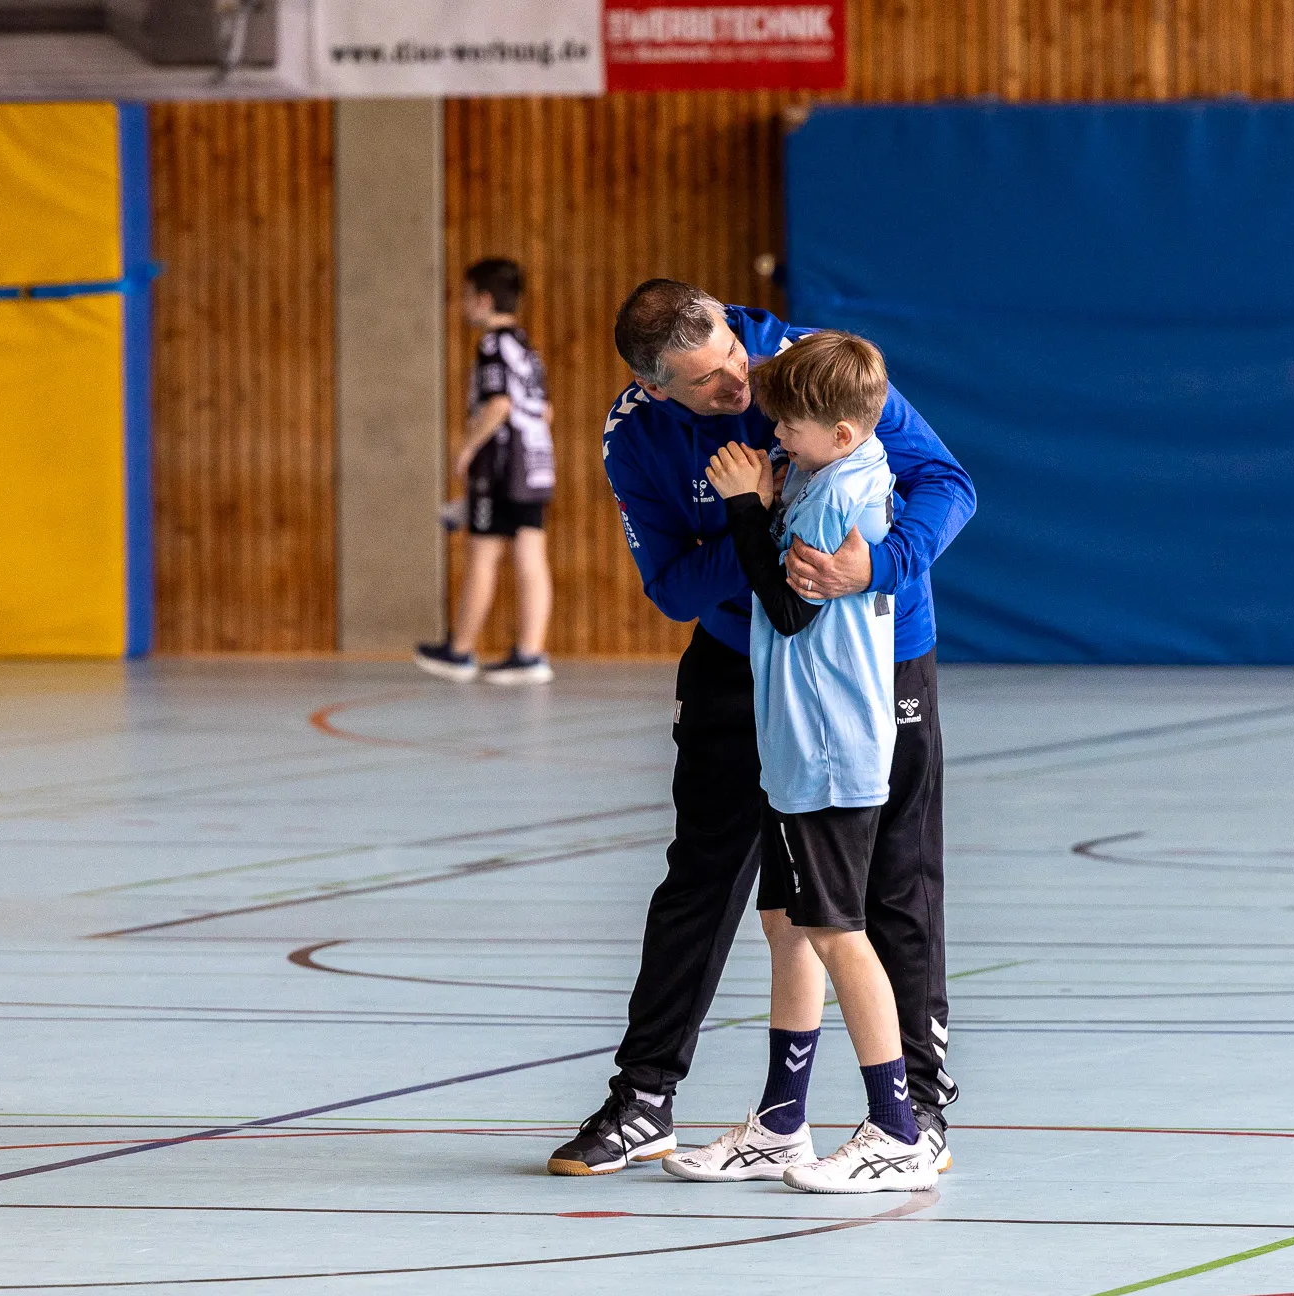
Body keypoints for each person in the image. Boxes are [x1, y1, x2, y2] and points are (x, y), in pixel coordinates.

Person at [545, 280, 973, 1178]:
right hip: (745, 662)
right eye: (709, 385)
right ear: (660, 388)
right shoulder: (638, 434)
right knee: (722, 884)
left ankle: (914, 1111)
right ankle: (650, 1099)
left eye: (735, 359)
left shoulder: (812, 368)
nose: (741, 391)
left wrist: (874, 565)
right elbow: (669, 586)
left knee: (884, 883)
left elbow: (946, 482)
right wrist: (762, 526)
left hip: (866, 667)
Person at [663, 332, 933, 1191]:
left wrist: (746, 505)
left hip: (827, 746)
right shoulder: (824, 473)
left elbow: (784, 609)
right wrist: (775, 490)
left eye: (791, 426)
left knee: (835, 930)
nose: (775, 435)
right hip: (795, 742)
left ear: (844, 434)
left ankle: (898, 1127)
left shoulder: (835, 496)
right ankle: (783, 1122)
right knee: (785, 923)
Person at [415, 258, 556, 686]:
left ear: (483, 299)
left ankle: (459, 651)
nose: (462, 306)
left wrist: (467, 448)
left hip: (501, 466)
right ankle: (530, 653)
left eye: (465, 297)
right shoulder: (526, 349)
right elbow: (545, 411)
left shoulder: (493, 345)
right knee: (531, 555)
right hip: (535, 464)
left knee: (483, 553)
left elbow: (498, 405)